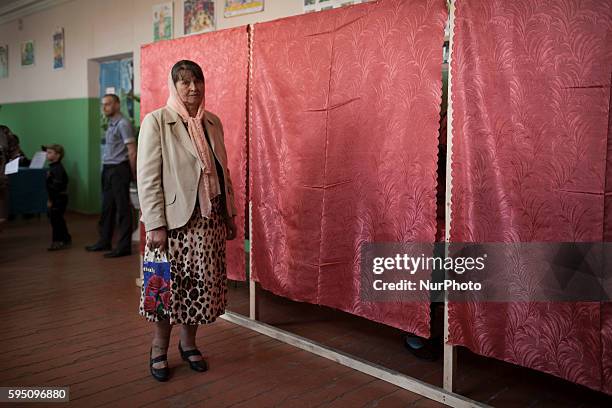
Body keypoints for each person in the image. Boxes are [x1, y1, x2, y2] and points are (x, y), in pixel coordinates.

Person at [137, 60, 238, 382]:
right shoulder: (157, 121)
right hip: (171, 224)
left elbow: (223, 171)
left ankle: (189, 343)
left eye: (197, 81)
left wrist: (229, 214)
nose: (193, 88)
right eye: (184, 82)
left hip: (208, 220)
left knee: (199, 288)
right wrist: (154, 223)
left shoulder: (212, 122)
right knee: (166, 287)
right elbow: (148, 177)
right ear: (173, 86)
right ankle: (158, 347)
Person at [85, 94, 136, 258]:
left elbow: (132, 151)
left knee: (122, 209)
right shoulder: (111, 124)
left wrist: (134, 174)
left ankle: (123, 246)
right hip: (108, 169)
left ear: (117, 104)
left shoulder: (123, 124)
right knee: (107, 208)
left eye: (107, 104)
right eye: (103, 104)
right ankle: (104, 241)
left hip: (119, 170)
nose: (104, 107)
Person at [44, 144, 72, 250]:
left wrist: (51, 199)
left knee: (56, 220)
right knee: (57, 218)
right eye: (47, 152)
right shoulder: (53, 167)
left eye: (50, 152)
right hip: (57, 197)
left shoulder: (57, 169)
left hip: (58, 198)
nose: (47, 154)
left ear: (58, 155)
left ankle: (57, 241)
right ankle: (66, 237)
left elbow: (56, 186)